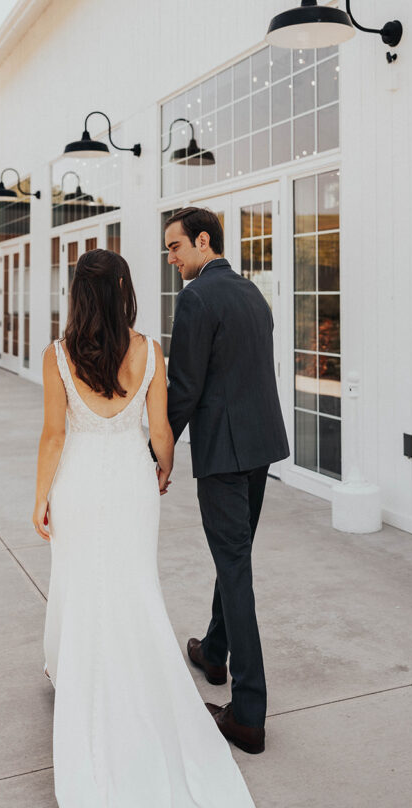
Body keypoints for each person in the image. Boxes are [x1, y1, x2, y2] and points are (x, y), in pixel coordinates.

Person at [32, 249, 256, 808]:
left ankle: (72, 671)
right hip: (133, 484)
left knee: (79, 578)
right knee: (134, 580)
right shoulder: (150, 351)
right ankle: (137, 682)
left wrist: (40, 496)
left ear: (78, 295)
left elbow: (54, 437)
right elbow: (160, 432)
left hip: (78, 481)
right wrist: (162, 470)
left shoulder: (57, 356)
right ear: (126, 291)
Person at [164, 207, 289, 756]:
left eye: (174, 247)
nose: (171, 259)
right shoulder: (253, 294)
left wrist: (157, 448)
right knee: (233, 557)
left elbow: (184, 386)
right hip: (260, 446)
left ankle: (249, 713)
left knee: (235, 567)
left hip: (222, 452)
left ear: (203, 241)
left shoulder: (196, 298)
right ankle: (213, 652)